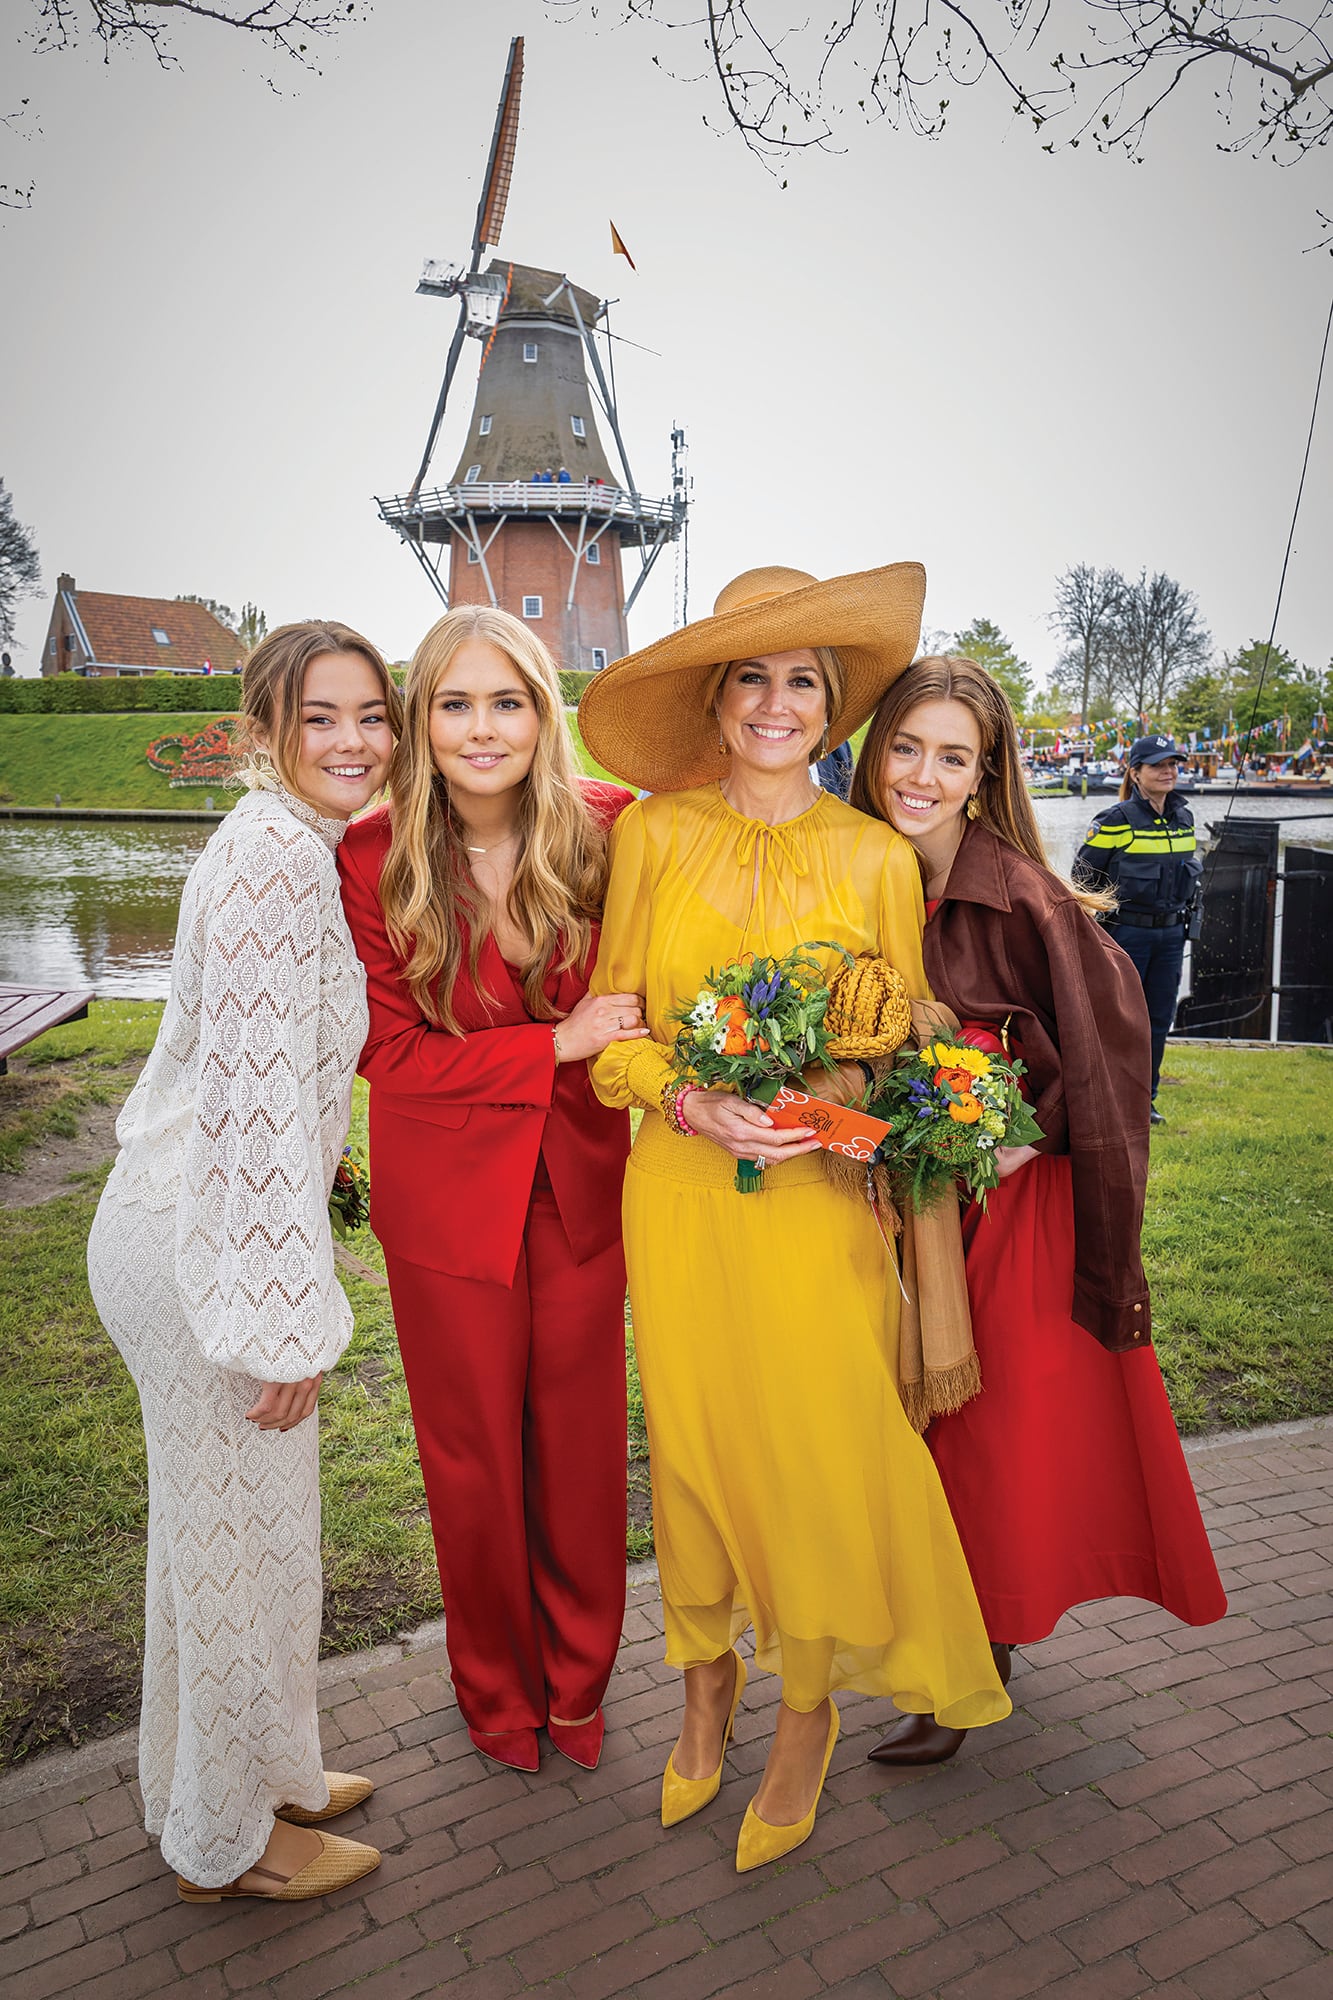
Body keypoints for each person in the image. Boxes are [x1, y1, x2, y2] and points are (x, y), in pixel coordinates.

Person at [579, 566, 1010, 1873]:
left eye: (803, 682)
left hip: (821, 1210)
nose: (776, 703)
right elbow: (611, 1039)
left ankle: (807, 1712)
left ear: (832, 710)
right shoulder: (649, 835)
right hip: (680, 1197)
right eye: (752, 677)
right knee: (698, 1452)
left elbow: (898, 1071)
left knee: (815, 1454)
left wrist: (818, 1117)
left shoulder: (876, 856)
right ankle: (704, 1684)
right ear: (718, 700)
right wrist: (688, 1100)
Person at [851, 659, 1226, 1767]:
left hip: (1009, 1201)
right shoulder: (860, 871)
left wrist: (1029, 1132)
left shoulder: (1021, 891)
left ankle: (973, 1664)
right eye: (905, 747)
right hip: (902, 1192)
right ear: (873, 753)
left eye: (951, 756)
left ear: (985, 774)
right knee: (913, 1420)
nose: (921, 775)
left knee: (984, 1432)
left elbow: (1111, 1036)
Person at [87, 622, 400, 1901]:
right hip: (202, 1244)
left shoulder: (283, 841)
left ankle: (253, 1768)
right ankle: (232, 1841)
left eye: (371, 714)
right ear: (265, 730)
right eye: (319, 717)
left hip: (188, 1221)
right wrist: (278, 1317)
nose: (352, 741)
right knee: (233, 1550)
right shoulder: (278, 857)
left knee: (243, 1536)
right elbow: (257, 1103)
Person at [336, 606, 642, 1775]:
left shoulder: (613, 828)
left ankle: (578, 1683)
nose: (481, 728)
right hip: (448, 1202)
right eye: (454, 703)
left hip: (580, 1189)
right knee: (470, 1461)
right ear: (421, 718)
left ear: (541, 713)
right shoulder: (370, 856)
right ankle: (497, 1692)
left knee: (579, 1452)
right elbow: (391, 1051)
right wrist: (551, 1044)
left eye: (505, 701)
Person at [1074, 735, 1201, 1124]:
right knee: (1119, 1020)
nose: (1168, 771)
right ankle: (1108, 1098)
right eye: (1158, 765)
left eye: (1173, 764)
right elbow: (1083, 879)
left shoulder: (1184, 819)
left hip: (1171, 937)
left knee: (1159, 1020)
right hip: (1126, 935)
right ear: (1135, 773)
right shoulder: (1115, 820)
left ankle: (1145, 1101)